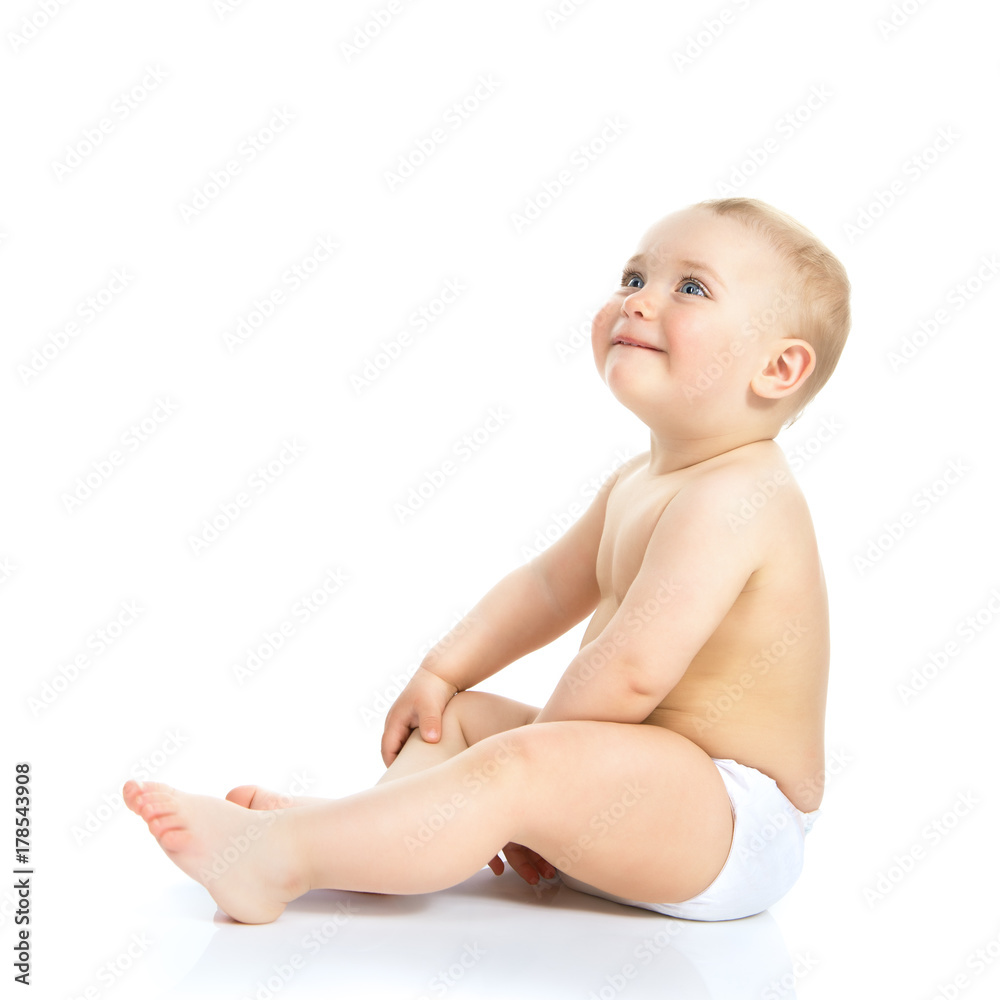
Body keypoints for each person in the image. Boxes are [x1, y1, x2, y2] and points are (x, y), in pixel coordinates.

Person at [123, 196, 851, 924]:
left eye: (691, 288)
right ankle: (361, 832)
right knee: (465, 722)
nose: (638, 302)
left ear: (779, 368)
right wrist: (446, 671)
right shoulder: (642, 479)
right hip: (646, 795)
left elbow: (631, 673)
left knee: (520, 766)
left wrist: (537, 794)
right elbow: (543, 588)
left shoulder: (740, 495)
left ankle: (278, 858)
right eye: (633, 277)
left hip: (733, 822)